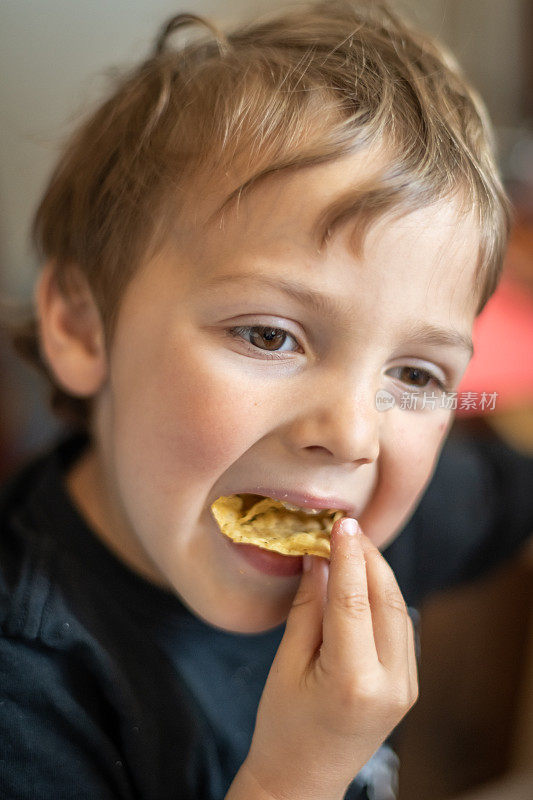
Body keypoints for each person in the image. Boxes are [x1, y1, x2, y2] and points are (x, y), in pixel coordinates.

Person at [1, 1, 531, 798]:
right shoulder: (26, 695)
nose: (352, 434)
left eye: (415, 375)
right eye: (269, 336)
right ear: (83, 327)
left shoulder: (387, 513)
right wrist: (297, 775)